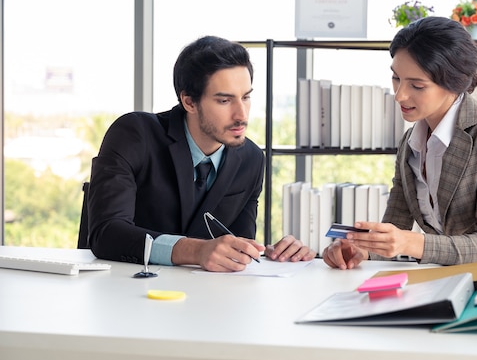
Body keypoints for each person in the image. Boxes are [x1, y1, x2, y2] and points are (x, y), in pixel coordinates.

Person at [322, 16, 477, 269]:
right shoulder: (410, 143)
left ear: (453, 84)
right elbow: (395, 228)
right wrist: (362, 249)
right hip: (445, 278)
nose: (400, 94)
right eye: (396, 78)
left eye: (417, 85)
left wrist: (410, 243)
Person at [88, 35, 316, 272]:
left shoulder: (251, 159)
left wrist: (276, 254)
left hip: (204, 299)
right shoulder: (136, 133)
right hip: (125, 293)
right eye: (224, 100)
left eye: (246, 97)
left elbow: (235, 249)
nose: (241, 115)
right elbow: (105, 232)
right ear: (189, 102)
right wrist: (195, 251)